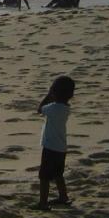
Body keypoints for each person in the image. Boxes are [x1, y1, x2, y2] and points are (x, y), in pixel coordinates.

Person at [37, 75, 75, 210]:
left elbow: (40, 109)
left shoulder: (52, 108)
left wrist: (48, 95)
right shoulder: (66, 108)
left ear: (54, 92)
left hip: (50, 147)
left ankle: (43, 203)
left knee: (44, 176)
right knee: (58, 174)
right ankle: (63, 197)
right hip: (61, 147)